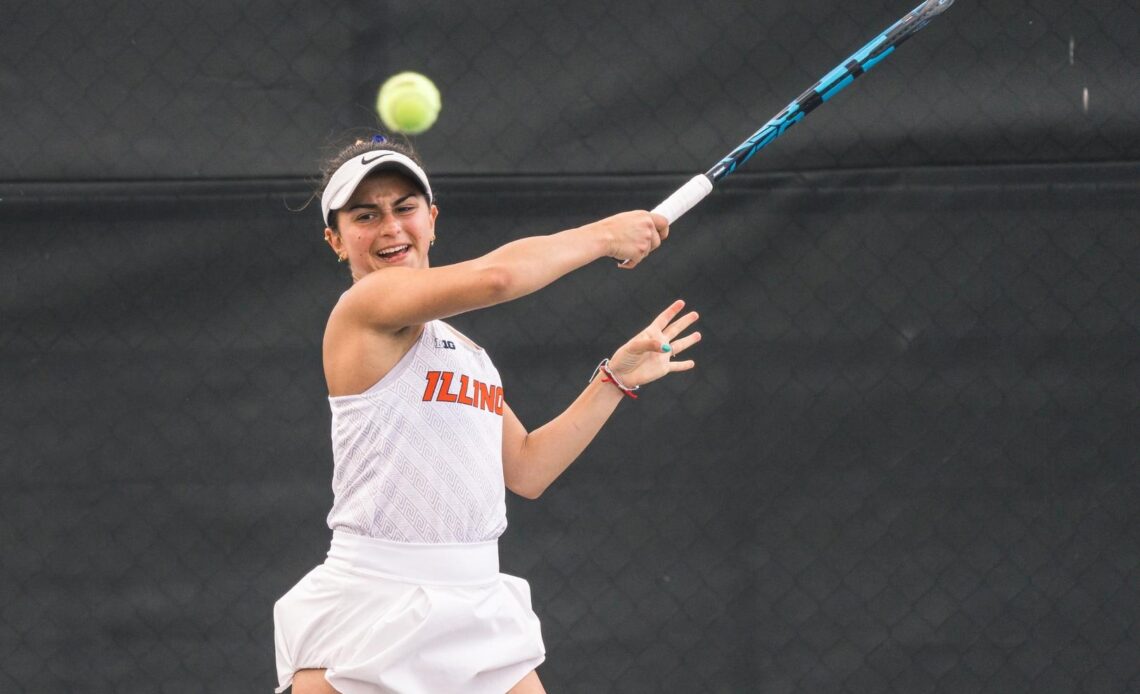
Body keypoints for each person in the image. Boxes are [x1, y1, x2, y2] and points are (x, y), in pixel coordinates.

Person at [273, 135, 701, 694]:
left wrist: (613, 380)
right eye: (365, 215)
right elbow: (497, 278)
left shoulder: (468, 355)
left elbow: (527, 470)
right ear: (336, 240)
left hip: (477, 606)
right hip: (375, 604)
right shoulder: (363, 308)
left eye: (404, 208)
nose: (390, 227)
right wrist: (602, 235)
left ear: (432, 218)